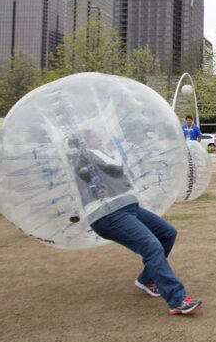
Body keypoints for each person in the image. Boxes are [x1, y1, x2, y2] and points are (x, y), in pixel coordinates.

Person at [70, 130, 201, 315]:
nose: (100, 138)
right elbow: (115, 167)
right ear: (85, 142)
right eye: (95, 136)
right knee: (152, 247)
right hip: (108, 214)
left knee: (167, 233)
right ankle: (177, 300)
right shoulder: (84, 159)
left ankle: (146, 279)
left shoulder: (100, 155)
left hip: (127, 207)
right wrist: (116, 149)